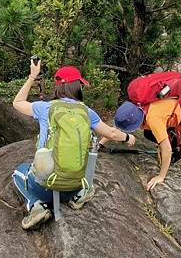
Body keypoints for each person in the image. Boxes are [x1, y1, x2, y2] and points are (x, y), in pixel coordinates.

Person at [11, 59, 136, 231]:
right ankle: (77, 197)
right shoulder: (87, 112)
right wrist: (127, 137)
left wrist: (33, 76)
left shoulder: (44, 108)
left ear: (58, 87)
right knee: (80, 171)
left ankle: (36, 206)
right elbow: (111, 133)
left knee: (18, 172)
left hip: (45, 187)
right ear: (77, 87)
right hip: (75, 185)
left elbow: (17, 103)